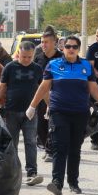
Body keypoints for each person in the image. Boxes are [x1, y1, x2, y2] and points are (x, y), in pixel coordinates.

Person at [27, 35, 98, 195]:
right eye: (68, 47)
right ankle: (57, 183)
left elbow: (93, 88)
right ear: (62, 48)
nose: (71, 49)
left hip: (80, 113)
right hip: (59, 112)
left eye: (74, 47)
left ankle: (73, 182)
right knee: (60, 147)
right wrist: (32, 106)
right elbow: (44, 87)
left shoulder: (85, 65)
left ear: (78, 49)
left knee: (74, 149)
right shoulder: (53, 65)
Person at [0, 41, 44, 186]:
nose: (26, 60)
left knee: (31, 142)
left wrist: (50, 106)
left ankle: (32, 172)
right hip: (12, 112)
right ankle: (12, 171)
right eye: (24, 57)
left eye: (29, 57)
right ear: (18, 54)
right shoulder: (10, 67)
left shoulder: (37, 69)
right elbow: (1, 87)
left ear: (33, 55)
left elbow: (43, 89)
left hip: (31, 112)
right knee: (12, 144)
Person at [33, 28, 62, 162]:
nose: (43, 45)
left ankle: (52, 150)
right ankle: (46, 147)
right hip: (41, 97)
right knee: (41, 126)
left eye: (46, 42)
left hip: (58, 97)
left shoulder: (62, 58)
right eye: (42, 42)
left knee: (55, 125)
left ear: (54, 43)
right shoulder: (38, 58)